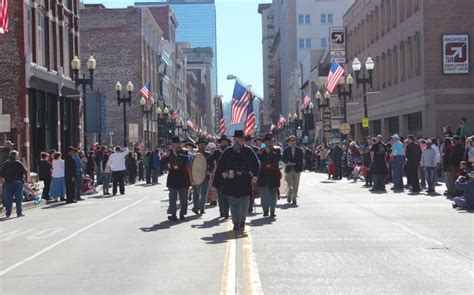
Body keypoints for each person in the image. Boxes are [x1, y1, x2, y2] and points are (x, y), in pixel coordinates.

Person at [218, 130, 260, 231]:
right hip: (232, 180)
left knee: (245, 202)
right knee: (233, 202)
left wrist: (255, 176)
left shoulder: (249, 150)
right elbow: (220, 163)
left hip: (245, 179)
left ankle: (242, 220)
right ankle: (236, 222)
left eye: (240, 139)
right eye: (236, 139)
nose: (237, 141)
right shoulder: (228, 151)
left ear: (243, 140)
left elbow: (256, 163)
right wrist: (224, 173)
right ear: (233, 140)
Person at [165, 137, 190, 221]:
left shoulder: (185, 152)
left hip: (182, 177)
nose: (175, 145)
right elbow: (163, 164)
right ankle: (173, 214)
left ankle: (182, 213)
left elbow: (186, 162)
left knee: (184, 198)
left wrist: (177, 155)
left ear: (179, 144)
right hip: (172, 177)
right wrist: (165, 157)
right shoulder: (169, 153)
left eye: (176, 143)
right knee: (172, 198)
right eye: (174, 143)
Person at [257, 134, 281, 217]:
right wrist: (261, 152)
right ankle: (265, 210)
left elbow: (277, 159)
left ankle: (272, 210)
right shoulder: (260, 150)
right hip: (263, 174)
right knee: (264, 193)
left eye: (270, 141)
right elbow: (258, 160)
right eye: (267, 141)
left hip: (273, 174)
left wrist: (270, 151)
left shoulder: (277, 150)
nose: (268, 143)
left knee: (273, 193)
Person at [0, 150, 28, 218]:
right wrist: (25, 180)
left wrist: (3, 179)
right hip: (18, 182)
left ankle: (8, 213)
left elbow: (1, 173)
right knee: (19, 198)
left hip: (8, 182)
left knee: (9, 198)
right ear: (16, 156)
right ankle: (19, 213)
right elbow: (25, 171)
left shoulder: (5, 163)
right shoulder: (19, 163)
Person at [213, 135, 231, 219]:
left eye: (225, 142)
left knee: (227, 195)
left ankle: (226, 212)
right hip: (219, 176)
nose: (224, 143)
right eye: (222, 142)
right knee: (220, 195)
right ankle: (221, 211)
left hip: (229, 176)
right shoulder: (216, 152)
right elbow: (209, 160)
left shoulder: (231, 151)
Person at [282, 135, 304, 205]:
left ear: (296, 141)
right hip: (289, 169)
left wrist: (298, 164)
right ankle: (289, 194)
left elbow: (302, 159)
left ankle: (293, 198)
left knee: (296, 184)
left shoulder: (299, 150)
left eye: (294, 140)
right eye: (291, 140)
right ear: (289, 141)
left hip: (297, 169)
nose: (293, 142)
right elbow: (283, 158)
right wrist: (287, 162)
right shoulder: (286, 149)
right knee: (290, 183)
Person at [191, 138, 211, 215]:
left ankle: (202, 208)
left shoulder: (208, 155)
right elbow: (191, 165)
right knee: (195, 192)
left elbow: (211, 164)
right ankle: (196, 207)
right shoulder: (194, 155)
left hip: (205, 176)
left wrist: (209, 170)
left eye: (203, 144)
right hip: (195, 176)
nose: (202, 145)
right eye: (200, 144)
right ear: (198, 145)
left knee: (203, 193)